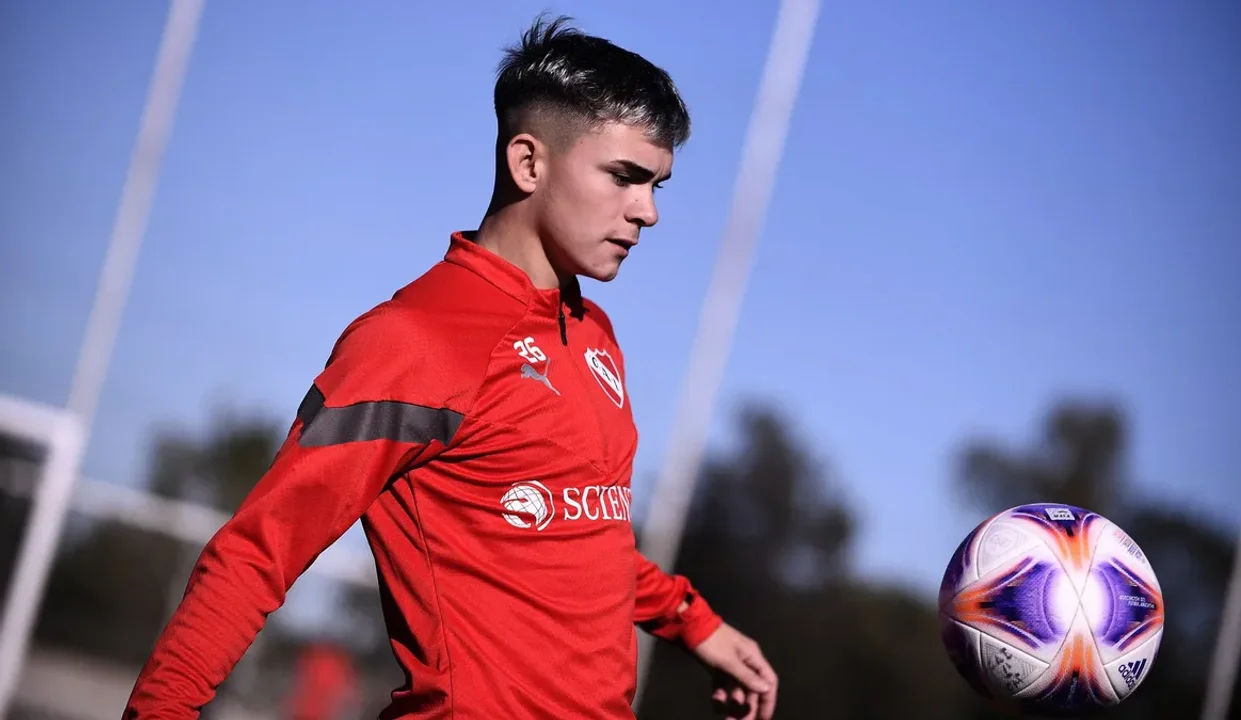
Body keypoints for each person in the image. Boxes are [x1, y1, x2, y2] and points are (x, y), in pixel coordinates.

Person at [123, 14, 778, 720]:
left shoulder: (595, 333)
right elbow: (259, 552)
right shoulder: (414, 342)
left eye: (657, 186)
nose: (647, 212)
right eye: (624, 177)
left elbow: (578, 536)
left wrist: (691, 620)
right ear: (528, 164)